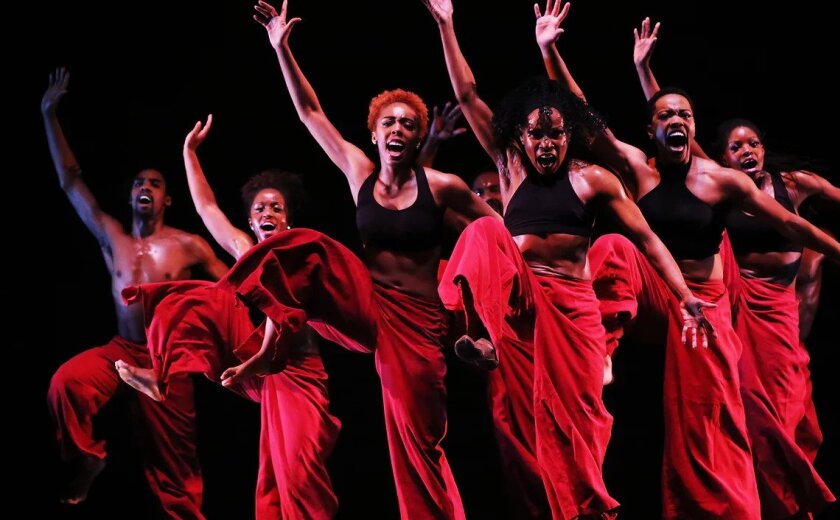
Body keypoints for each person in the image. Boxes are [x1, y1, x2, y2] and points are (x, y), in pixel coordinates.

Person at [537, 6, 840, 517]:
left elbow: (795, 225)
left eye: (684, 115)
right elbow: (584, 116)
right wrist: (549, 48)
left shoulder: (718, 180)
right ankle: (600, 351)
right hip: (657, 295)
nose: (676, 121)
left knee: (709, 423)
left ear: (692, 127)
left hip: (703, 305)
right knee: (616, 248)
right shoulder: (637, 169)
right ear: (650, 129)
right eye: (665, 116)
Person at [422, 1, 715, 517]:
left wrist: (687, 297)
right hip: (519, 299)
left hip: (573, 307)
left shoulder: (593, 180)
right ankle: (483, 333)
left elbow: (648, 239)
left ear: (568, 135)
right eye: (536, 134)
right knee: (487, 231)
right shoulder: (509, 166)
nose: (545, 144)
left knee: (578, 423)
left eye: (555, 134)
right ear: (521, 136)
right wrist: (447, 24)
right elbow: (467, 94)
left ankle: (587, 508)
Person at [214, 2, 500, 518]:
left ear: (418, 137)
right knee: (303, 248)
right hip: (365, 305)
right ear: (374, 133)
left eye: (408, 124)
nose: (396, 129)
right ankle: (271, 345)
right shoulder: (358, 170)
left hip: (420, 321)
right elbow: (310, 113)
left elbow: (493, 234)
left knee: (418, 435)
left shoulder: (444, 187)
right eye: (388, 122)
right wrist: (282, 49)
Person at [633, 21, 840, 517]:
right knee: (744, 407)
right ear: (721, 155)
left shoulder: (795, 183)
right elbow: (672, 124)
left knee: (787, 411)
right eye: (736, 147)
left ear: (764, 150)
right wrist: (644, 69)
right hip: (738, 301)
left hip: (781, 313)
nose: (746, 152)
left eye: (753, 145)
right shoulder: (718, 181)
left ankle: (787, 501)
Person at [115, 114, 341, 519]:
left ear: (288, 220)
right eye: (260, 208)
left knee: (297, 474)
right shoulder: (246, 250)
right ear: (253, 222)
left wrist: (254, 362)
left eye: (276, 206)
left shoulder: (299, 254)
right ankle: (160, 374)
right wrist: (189, 153)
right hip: (263, 370)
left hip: (299, 376)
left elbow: (284, 313)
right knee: (196, 297)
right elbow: (206, 208)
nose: (267, 211)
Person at [42, 67, 228, 517]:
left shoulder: (188, 245)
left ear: (167, 200)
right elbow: (71, 182)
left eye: (155, 183)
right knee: (66, 383)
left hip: (166, 361)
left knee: (175, 467)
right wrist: (49, 114)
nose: (145, 187)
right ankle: (86, 458)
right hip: (120, 351)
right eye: (138, 183)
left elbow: (230, 289)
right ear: (130, 197)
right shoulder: (114, 238)